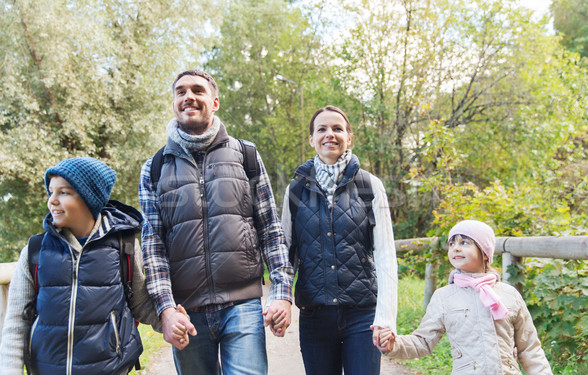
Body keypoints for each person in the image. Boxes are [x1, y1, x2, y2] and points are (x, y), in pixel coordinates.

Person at [138, 69, 294, 375]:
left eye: (197, 90)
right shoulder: (154, 168)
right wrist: (166, 310)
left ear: (215, 101)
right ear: (174, 104)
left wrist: (283, 292)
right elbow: (153, 245)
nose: (188, 97)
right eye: (180, 92)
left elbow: (270, 229)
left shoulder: (246, 155)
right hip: (186, 311)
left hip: (243, 305)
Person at [0, 157, 160, 375]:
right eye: (51, 191)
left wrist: (172, 322)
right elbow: (16, 323)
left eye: (63, 192)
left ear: (89, 198)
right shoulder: (35, 250)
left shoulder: (126, 246)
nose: (52, 201)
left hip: (109, 368)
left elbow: (141, 304)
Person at [280, 105, 399, 375]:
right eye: (321, 129)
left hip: (363, 315)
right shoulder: (296, 189)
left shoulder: (370, 185)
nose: (329, 134)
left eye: (337, 128)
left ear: (349, 137)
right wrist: (281, 300)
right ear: (311, 139)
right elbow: (286, 252)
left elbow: (385, 254)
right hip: (315, 316)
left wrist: (385, 319)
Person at [378, 220, 553, 374]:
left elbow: (529, 348)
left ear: (485, 253)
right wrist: (394, 345)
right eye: (452, 243)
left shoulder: (509, 295)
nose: (456, 248)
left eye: (464, 242)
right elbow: (423, 342)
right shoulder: (444, 297)